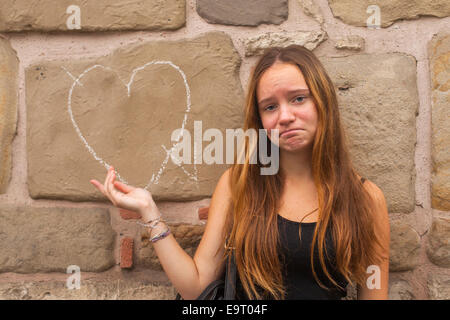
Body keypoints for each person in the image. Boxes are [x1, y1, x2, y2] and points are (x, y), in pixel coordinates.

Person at [90, 45, 390, 300]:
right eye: (270, 107)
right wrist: (148, 212)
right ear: (260, 120)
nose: (285, 116)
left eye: (299, 98)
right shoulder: (240, 184)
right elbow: (197, 287)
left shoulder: (366, 199)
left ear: (323, 101)